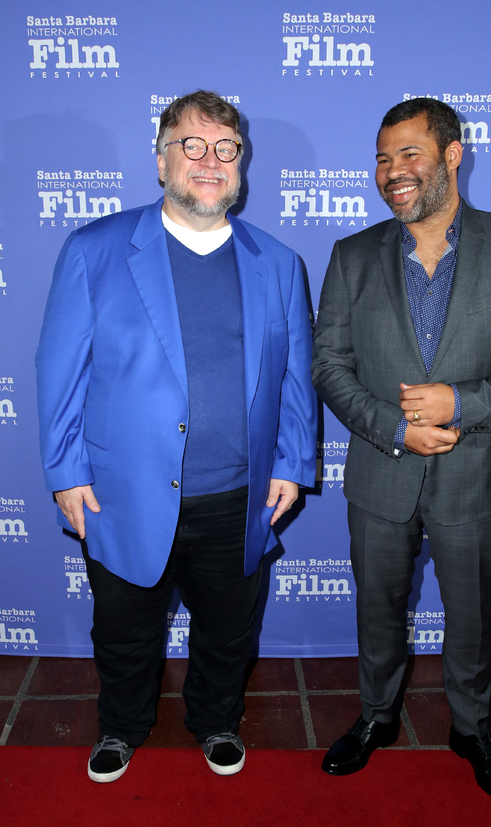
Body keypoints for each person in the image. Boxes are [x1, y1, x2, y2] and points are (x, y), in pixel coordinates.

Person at [36, 90, 316, 783]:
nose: (209, 161)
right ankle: (122, 726)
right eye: (191, 145)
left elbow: (295, 377)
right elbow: (59, 369)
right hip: (123, 493)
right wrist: (65, 471)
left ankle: (216, 719)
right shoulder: (94, 251)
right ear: (161, 160)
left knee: (228, 630)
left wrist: (291, 459)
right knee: (124, 631)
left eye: (226, 149)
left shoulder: (278, 263)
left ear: (241, 167)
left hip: (240, 495)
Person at [312, 97, 491, 806]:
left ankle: (471, 728)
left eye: (408, 154)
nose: (391, 171)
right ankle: (375, 716)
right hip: (378, 473)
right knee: (378, 608)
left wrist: (464, 402)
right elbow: (329, 366)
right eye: (382, 157)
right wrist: (396, 428)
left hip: (475, 475)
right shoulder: (352, 255)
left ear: (452, 155)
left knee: (474, 612)